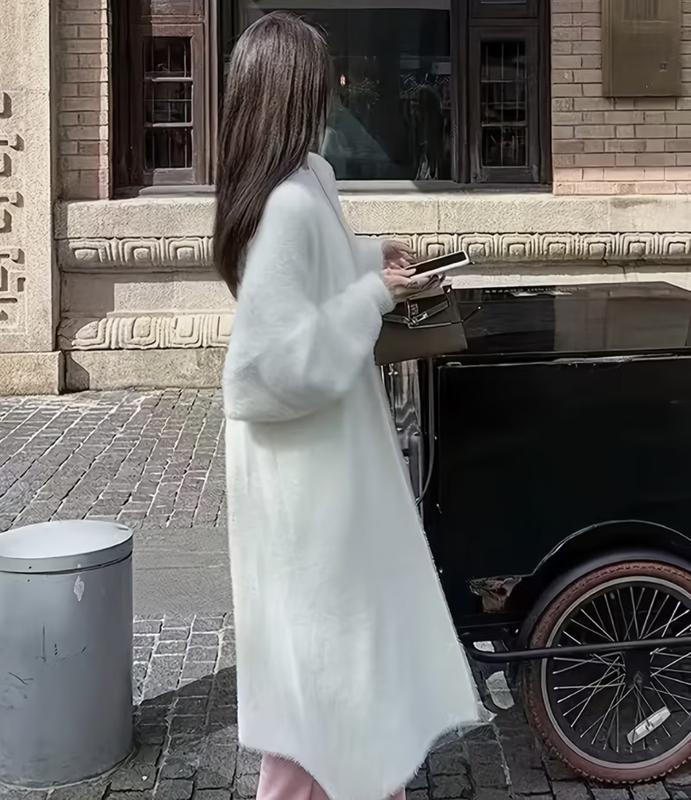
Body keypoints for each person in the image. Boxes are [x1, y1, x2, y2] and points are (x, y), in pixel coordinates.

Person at [214, 11, 488, 800]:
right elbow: (264, 369)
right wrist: (374, 294)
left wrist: (373, 259)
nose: (334, 91)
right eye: (321, 77)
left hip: (321, 466)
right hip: (308, 483)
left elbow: (311, 273)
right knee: (325, 683)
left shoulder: (302, 180)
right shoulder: (287, 201)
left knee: (336, 681)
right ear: (291, 92)